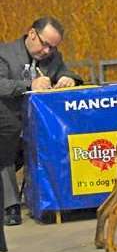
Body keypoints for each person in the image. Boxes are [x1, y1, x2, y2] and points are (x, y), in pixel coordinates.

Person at [0, 16, 83, 226]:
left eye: (52, 48)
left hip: (38, 125)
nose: (47, 51)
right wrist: (29, 85)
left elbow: (64, 71)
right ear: (32, 34)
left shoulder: (53, 57)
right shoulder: (4, 54)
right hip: (8, 120)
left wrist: (69, 79)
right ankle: (10, 207)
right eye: (45, 44)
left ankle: (60, 199)